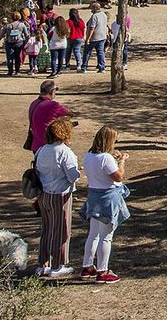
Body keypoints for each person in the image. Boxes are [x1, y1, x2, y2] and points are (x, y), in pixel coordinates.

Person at [81, 125, 129, 284]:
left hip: (93, 195)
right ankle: (103, 270)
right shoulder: (105, 158)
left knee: (93, 233)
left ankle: (87, 266)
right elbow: (118, 177)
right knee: (106, 236)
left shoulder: (89, 155)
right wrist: (121, 161)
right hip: (107, 198)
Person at [34, 116, 80, 278]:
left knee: (46, 229)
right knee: (61, 230)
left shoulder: (42, 149)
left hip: (44, 194)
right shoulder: (64, 151)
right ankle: (57, 265)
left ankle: (42, 264)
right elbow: (73, 176)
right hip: (60, 195)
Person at [27, 80, 69, 152]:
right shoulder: (53, 105)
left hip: (36, 146)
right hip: (49, 145)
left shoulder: (33, 103)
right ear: (51, 91)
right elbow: (69, 114)